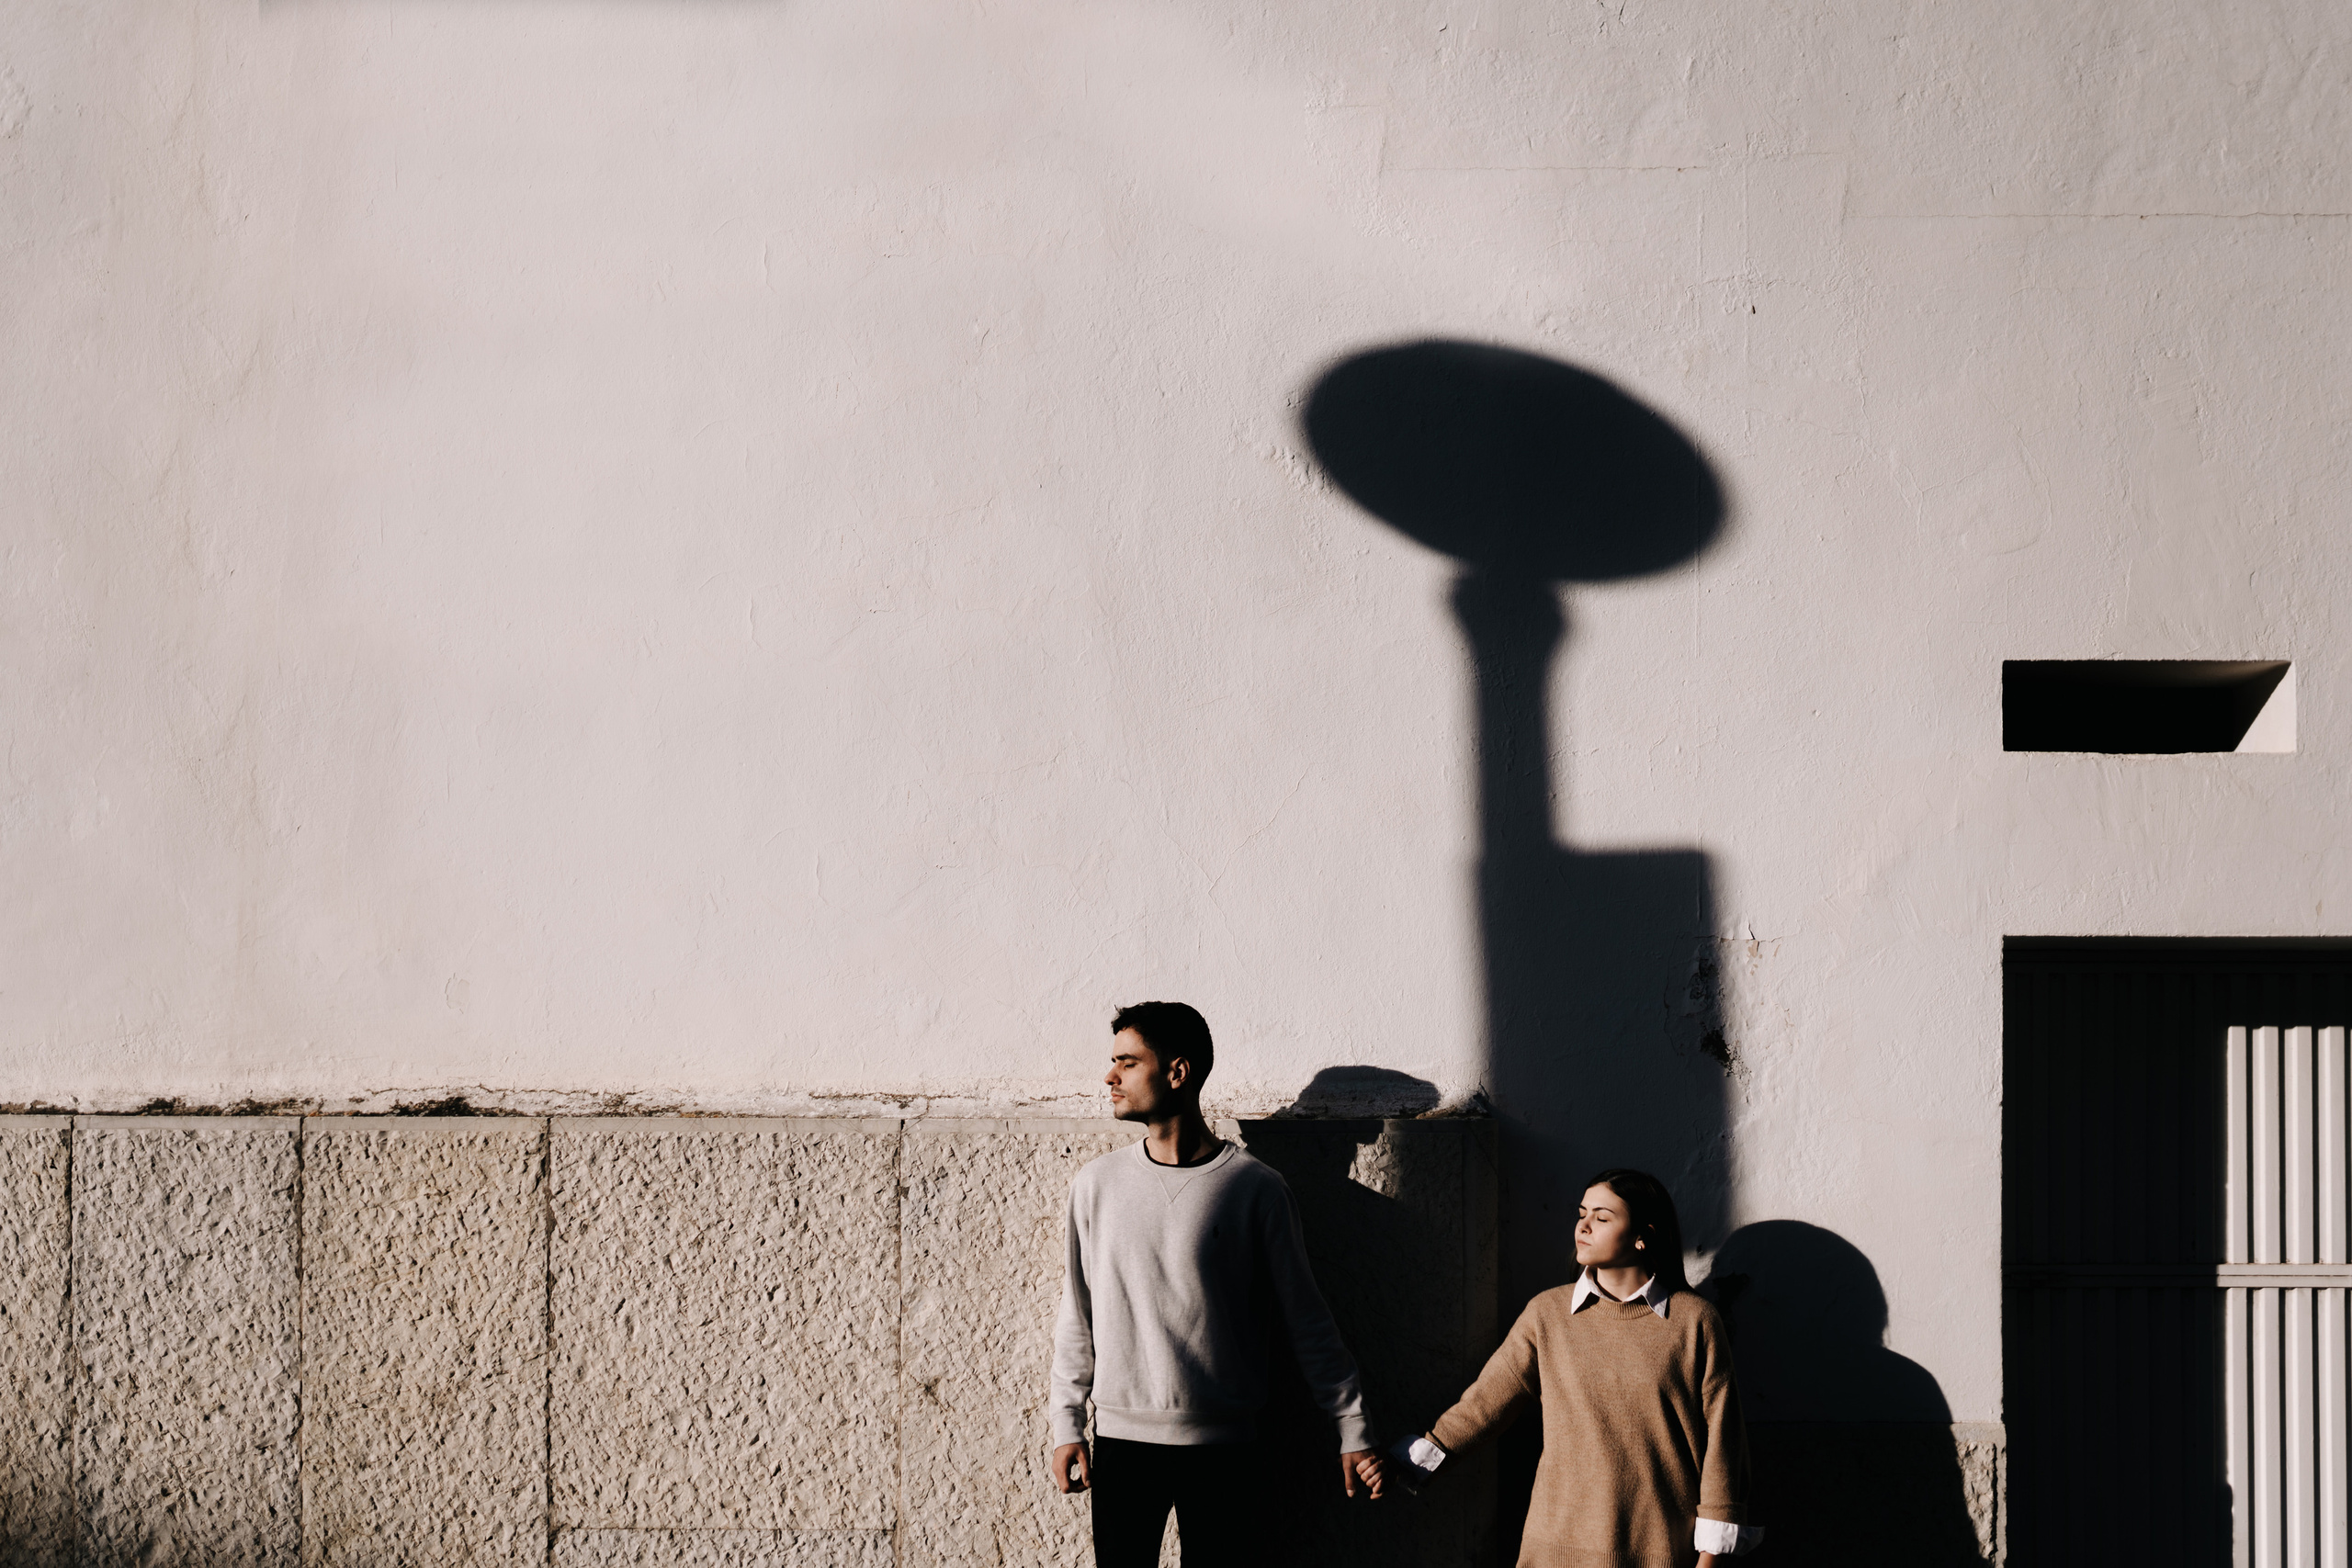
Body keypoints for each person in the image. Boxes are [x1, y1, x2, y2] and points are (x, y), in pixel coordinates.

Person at [1049, 1001, 1385, 1565]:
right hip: (1123, 1445)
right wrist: (1067, 1422)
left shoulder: (1257, 1189)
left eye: (1127, 1063)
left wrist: (1352, 1427)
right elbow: (1077, 1315)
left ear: (1176, 1072)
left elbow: (1307, 1320)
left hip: (1227, 1450)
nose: (1109, 1076)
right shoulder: (1097, 1185)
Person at [1388, 1168, 1762, 1567]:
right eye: (1581, 1213)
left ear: (1644, 1236)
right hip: (1554, 1547)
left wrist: (1710, 1557)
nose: (1583, 1226)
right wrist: (1404, 1461)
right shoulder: (1547, 1314)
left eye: (1601, 1217)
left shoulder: (1694, 1321)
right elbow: (1483, 1405)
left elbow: (1724, 1444)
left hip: (1659, 1550)